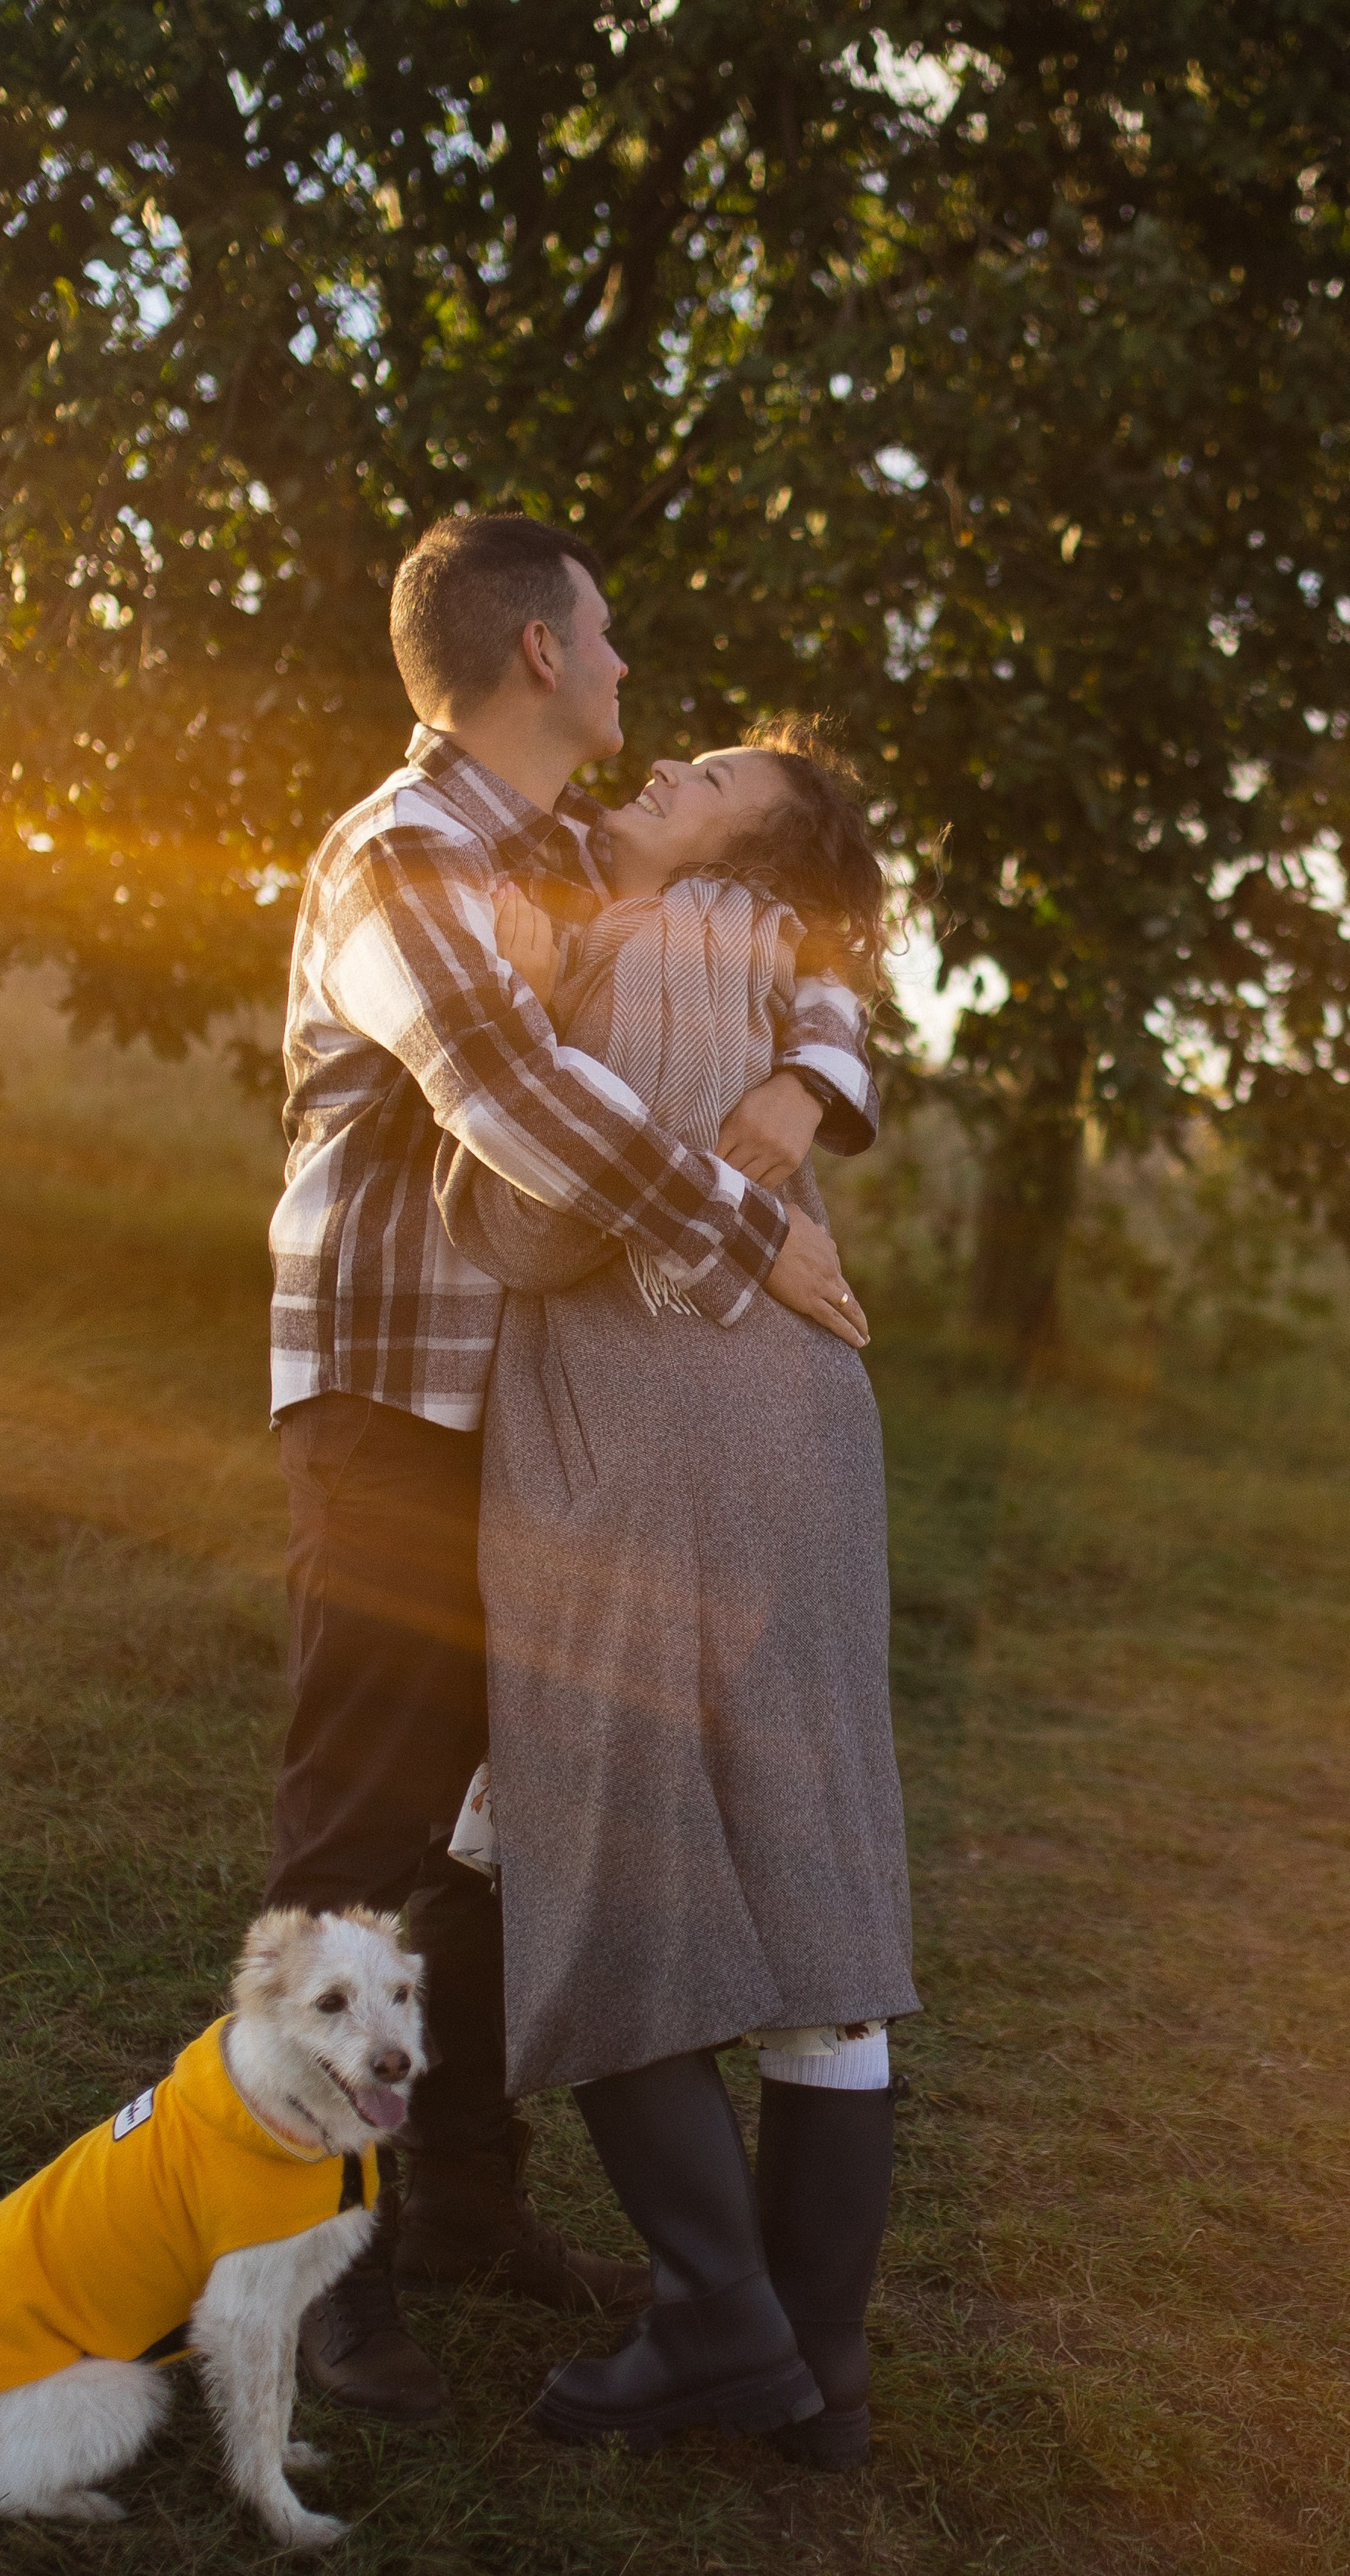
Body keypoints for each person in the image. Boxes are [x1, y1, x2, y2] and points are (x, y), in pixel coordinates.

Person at [264, 514, 880, 2419]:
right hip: (400, 1394)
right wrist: (756, 1222)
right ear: (538, 651)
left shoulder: (554, 847)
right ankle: (320, 2268)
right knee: (367, 1835)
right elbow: (516, 1104)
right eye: (607, 630)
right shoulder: (401, 858)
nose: (629, 667)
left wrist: (816, 1078)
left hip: (550, 1419)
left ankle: (461, 2201)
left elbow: (806, 927)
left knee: (505, 1831)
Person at [434, 719, 915, 2468]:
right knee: (811, 1881)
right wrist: (809, 1074)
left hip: (646, 1444)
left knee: (606, 1843)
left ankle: (714, 2324)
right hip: (799, 1445)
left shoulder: (662, 939)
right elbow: (809, 1026)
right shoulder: (771, 960)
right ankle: (816, 2369)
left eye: (715, 778)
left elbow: (550, 1227)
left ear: (740, 865)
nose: (674, 766)